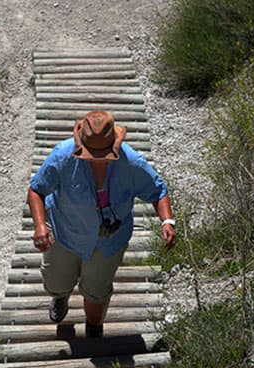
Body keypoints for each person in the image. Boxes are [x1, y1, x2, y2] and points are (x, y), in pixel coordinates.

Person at [27, 109, 176, 338]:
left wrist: (167, 221)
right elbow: (36, 189)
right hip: (65, 233)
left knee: (97, 291)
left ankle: (94, 328)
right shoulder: (62, 156)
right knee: (57, 280)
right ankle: (60, 297)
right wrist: (39, 226)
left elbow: (157, 191)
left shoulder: (132, 162)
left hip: (109, 241)